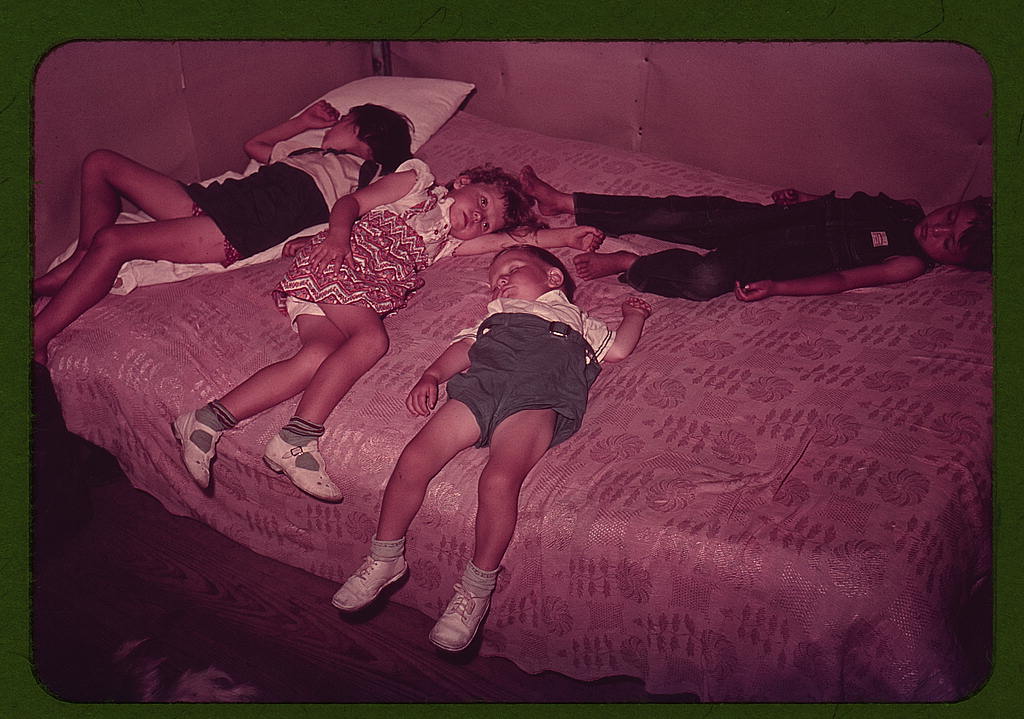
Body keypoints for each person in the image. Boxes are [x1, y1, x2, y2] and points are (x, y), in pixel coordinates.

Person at [172, 165, 605, 503]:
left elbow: (508, 242)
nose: (478, 217)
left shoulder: (446, 243)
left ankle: (208, 418)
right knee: (372, 340)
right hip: (336, 264)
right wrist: (339, 239)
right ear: (465, 182)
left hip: (346, 292)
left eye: (485, 221)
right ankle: (297, 437)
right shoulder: (416, 184)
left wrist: (569, 235)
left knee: (317, 358)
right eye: (482, 201)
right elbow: (349, 203)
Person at [330, 245, 653, 652]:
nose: (500, 280)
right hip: (481, 389)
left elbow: (619, 350)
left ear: (553, 278)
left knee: (499, 479)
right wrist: (431, 375)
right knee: (414, 457)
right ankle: (385, 555)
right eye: (494, 277)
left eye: (512, 269)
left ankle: (475, 588)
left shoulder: (579, 321)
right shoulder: (493, 316)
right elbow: (465, 349)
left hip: (538, 398)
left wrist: (634, 315)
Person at [33, 100, 414, 364]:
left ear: (366, 134)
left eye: (344, 120)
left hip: (241, 224)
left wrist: (335, 235)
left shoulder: (368, 174)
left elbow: (373, 207)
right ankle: (83, 260)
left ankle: (35, 336)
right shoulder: (307, 155)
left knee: (114, 240)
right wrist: (303, 122)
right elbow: (255, 146)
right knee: (100, 162)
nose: (334, 124)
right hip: (216, 200)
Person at [519, 166, 993, 302]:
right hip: (766, 223)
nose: (938, 228)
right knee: (674, 215)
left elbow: (843, 281)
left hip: (777, 262)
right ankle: (567, 203)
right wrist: (803, 199)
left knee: (706, 281)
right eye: (951, 216)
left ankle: (630, 264)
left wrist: (780, 288)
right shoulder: (904, 206)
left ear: (952, 262)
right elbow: (844, 207)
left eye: (947, 242)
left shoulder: (908, 262)